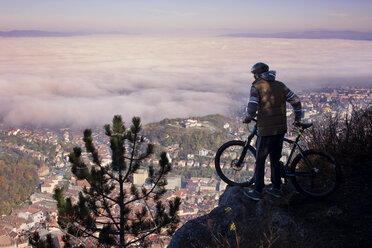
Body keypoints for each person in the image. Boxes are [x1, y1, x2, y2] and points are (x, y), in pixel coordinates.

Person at [243, 62, 302, 200]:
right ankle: (276, 188)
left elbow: (252, 107)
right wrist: (297, 118)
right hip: (280, 129)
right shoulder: (281, 85)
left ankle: (258, 191)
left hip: (266, 130)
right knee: (275, 159)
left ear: (257, 74)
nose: (253, 78)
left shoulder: (257, 86)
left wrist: (247, 118)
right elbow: (296, 100)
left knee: (260, 160)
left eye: (254, 75)